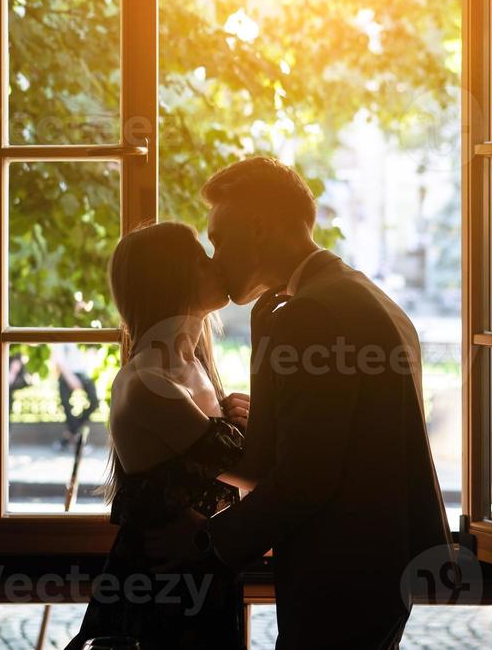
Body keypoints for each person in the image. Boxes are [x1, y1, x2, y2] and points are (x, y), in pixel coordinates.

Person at [145, 157, 451, 650]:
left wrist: (207, 540)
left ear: (259, 228)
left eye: (220, 239)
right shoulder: (356, 295)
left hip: (338, 574)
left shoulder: (309, 315)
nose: (214, 257)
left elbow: (307, 476)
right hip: (377, 567)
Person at [65, 222, 252, 650]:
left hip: (197, 585)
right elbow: (254, 474)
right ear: (174, 276)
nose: (216, 262)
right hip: (160, 602)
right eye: (202, 257)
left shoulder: (194, 367)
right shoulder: (149, 382)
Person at [54, 343, 101, 451]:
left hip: (84, 374)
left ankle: (69, 435)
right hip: (67, 374)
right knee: (65, 404)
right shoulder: (62, 333)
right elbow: (59, 360)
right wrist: (70, 377)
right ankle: (75, 438)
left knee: (94, 401)